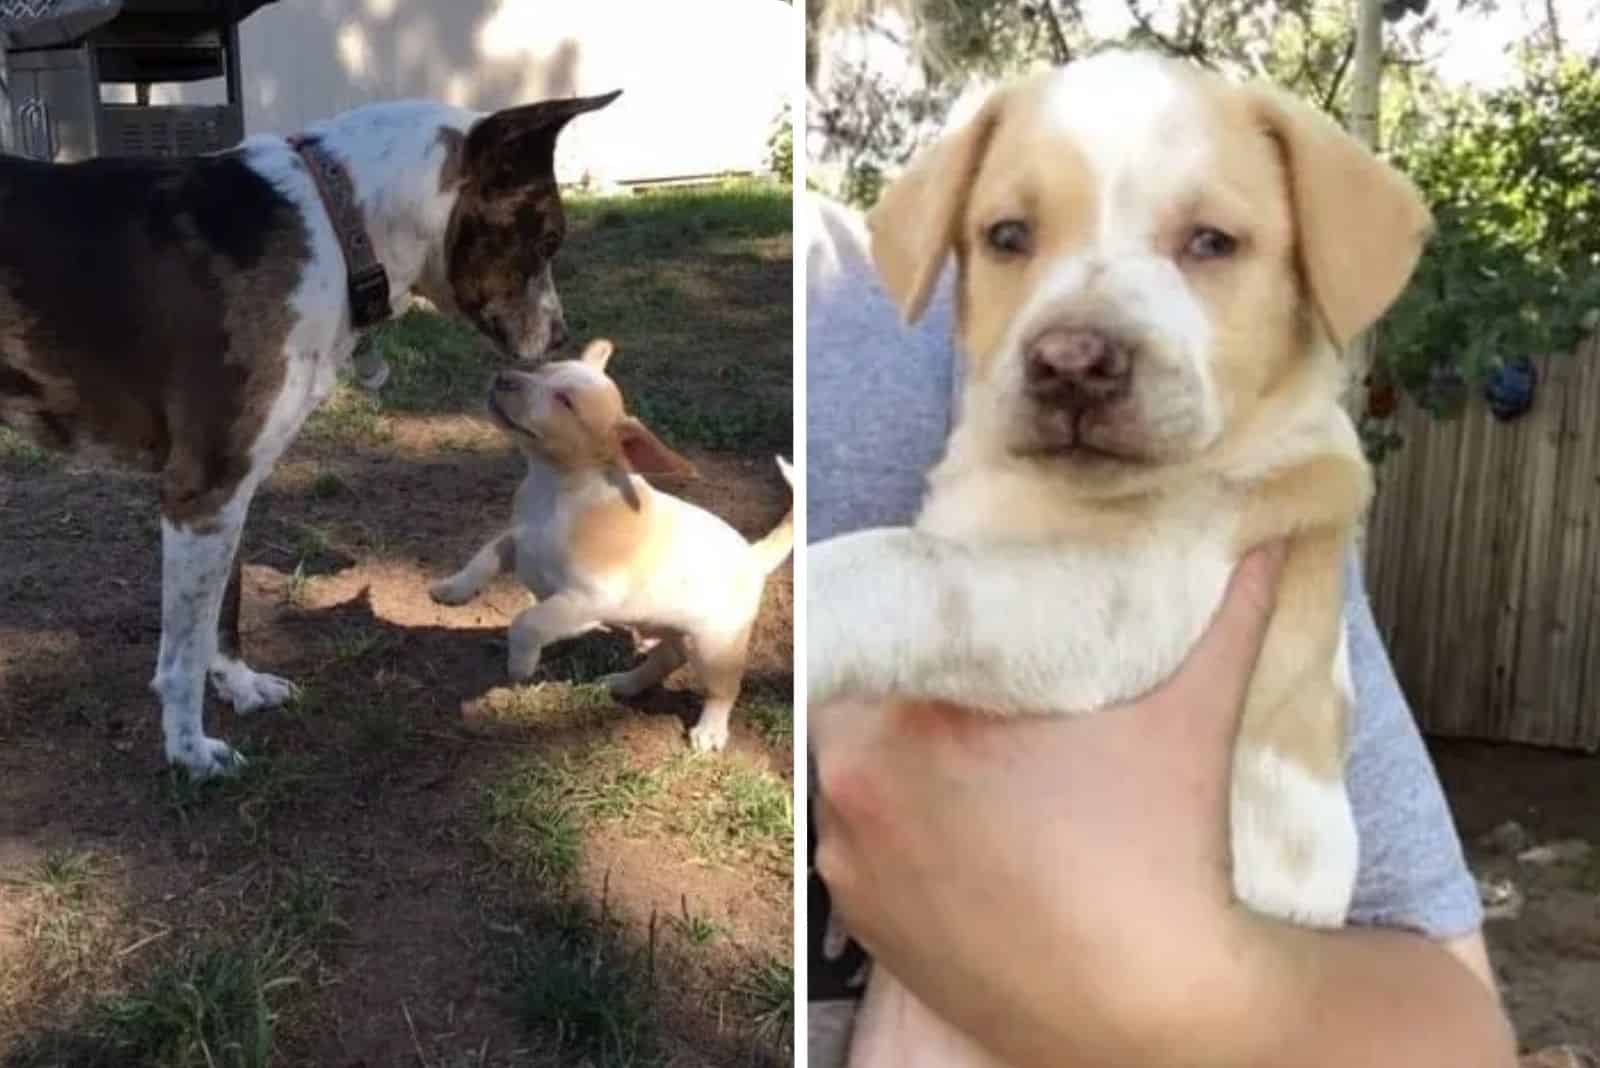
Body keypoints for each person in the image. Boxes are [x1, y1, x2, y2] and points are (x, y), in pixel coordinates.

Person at [804, 192, 1518, 1066]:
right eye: (1013, 241)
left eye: (1210, 245)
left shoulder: (976, 341)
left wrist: (1167, 989)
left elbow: (1457, 1031)